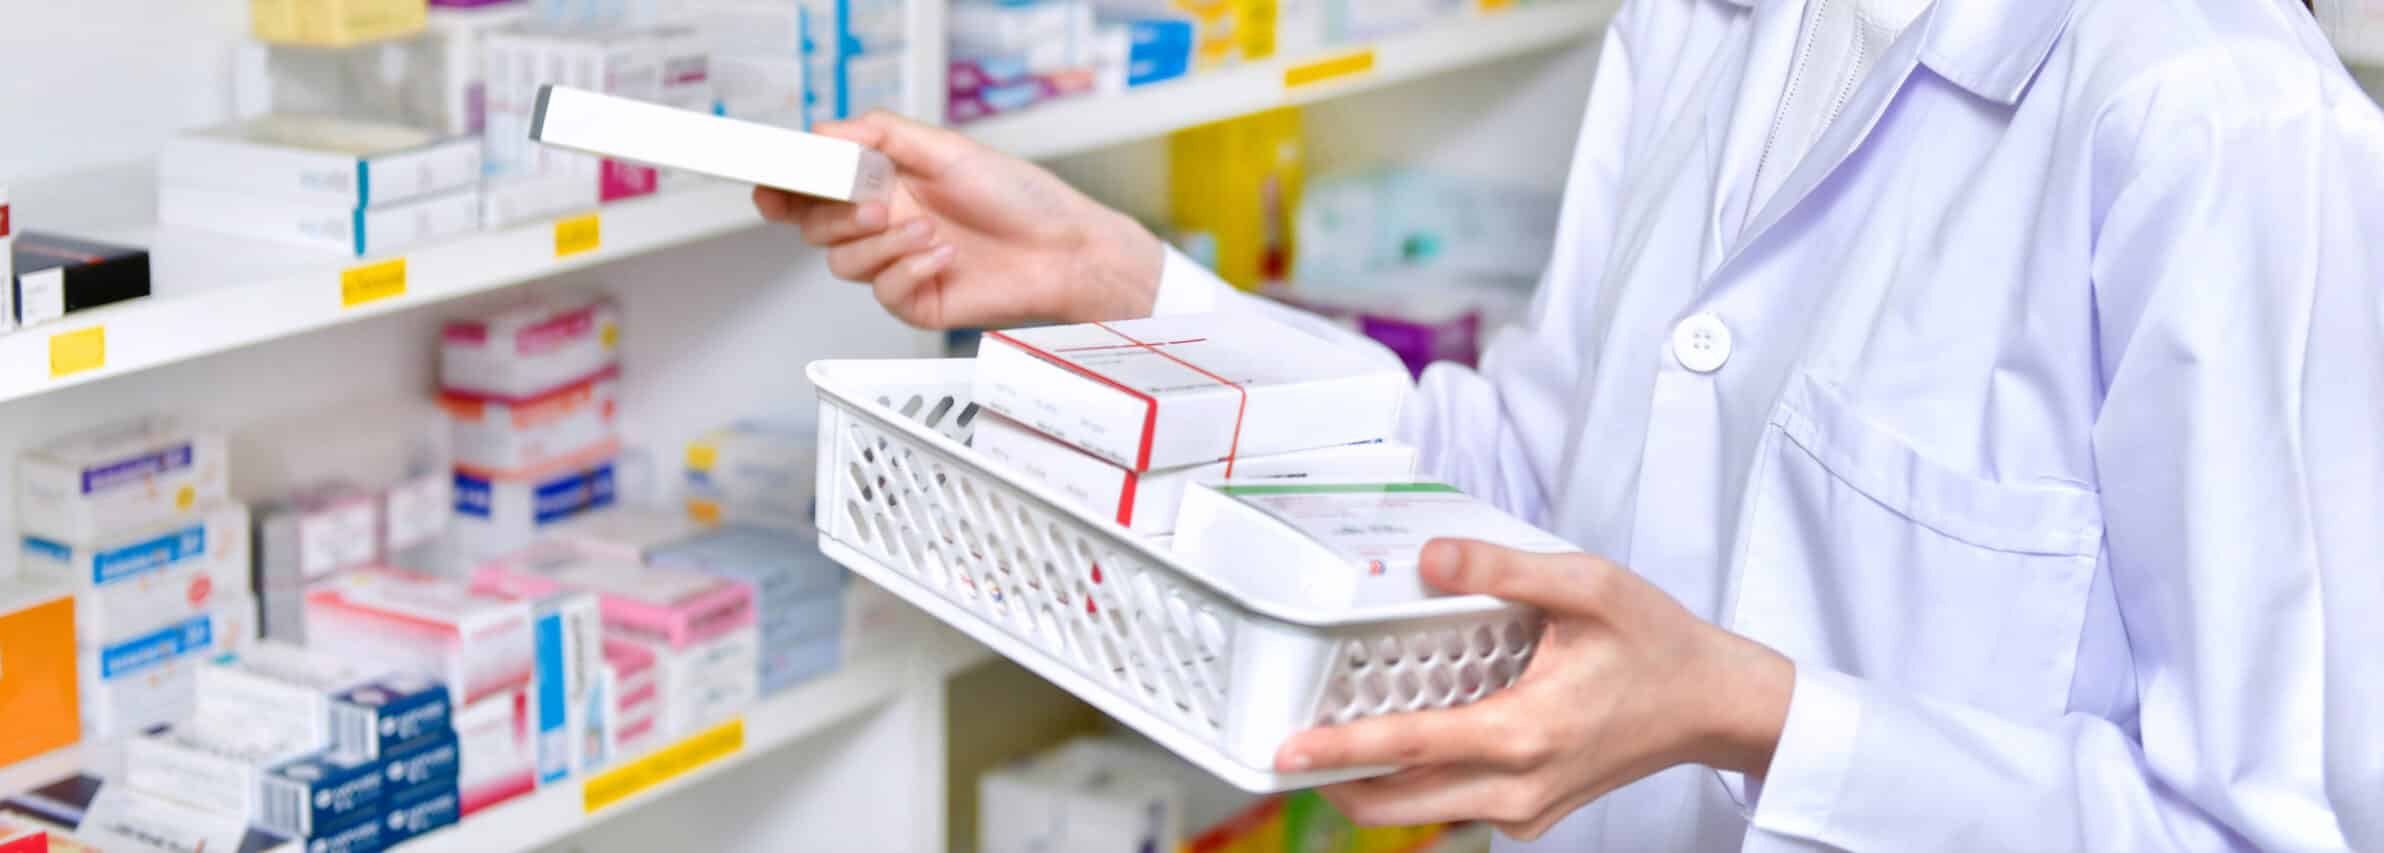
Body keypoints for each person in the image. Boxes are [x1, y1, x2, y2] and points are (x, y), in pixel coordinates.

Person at [758, 0, 2384, 848]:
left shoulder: (2217, 120)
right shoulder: (1695, 27)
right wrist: (1131, 292)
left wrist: (1750, 715)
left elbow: (2271, 826)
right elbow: (1531, 486)